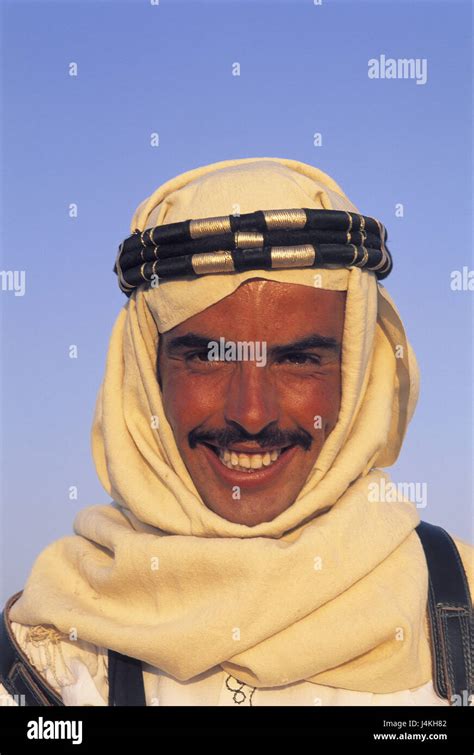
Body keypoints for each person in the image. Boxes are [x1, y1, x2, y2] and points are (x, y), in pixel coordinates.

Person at [1, 157, 472, 707]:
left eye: (298, 360)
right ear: (146, 378)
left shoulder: (451, 600)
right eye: (206, 357)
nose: (251, 414)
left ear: (360, 378)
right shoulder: (58, 652)